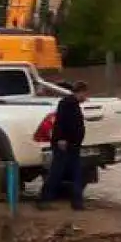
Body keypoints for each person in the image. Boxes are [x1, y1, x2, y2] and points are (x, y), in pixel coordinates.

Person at [38, 81, 89, 211]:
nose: (86, 97)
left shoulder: (75, 105)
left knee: (77, 173)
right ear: (80, 92)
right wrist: (61, 138)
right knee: (57, 172)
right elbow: (60, 122)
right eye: (85, 94)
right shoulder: (66, 103)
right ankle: (44, 199)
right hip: (63, 145)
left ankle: (77, 202)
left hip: (74, 146)